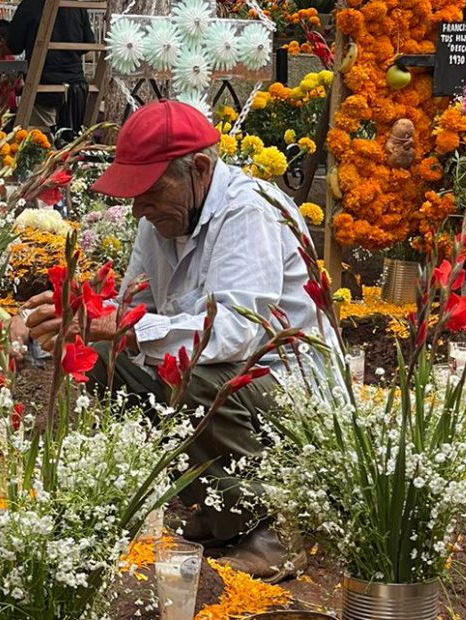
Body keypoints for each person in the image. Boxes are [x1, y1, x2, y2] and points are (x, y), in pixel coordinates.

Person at [17, 100, 324, 582]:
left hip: (288, 383)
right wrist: (71, 324)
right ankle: (214, 504)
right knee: (104, 359)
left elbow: (237, 334)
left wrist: (122, 325)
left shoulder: (247, 212)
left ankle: (275, 525)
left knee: (193, 371)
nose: (138, 207)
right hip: (234, 376)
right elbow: (134, 313)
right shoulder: (160, 220)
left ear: (199, 169)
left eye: (149, 191)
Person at [7, 0, 96, 132]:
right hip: (74, 86)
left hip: (41, 83)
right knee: (72, 135)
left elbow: (14, 46)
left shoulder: (29, 6)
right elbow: (87, 45)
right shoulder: (77, 7)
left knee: (38, 137)